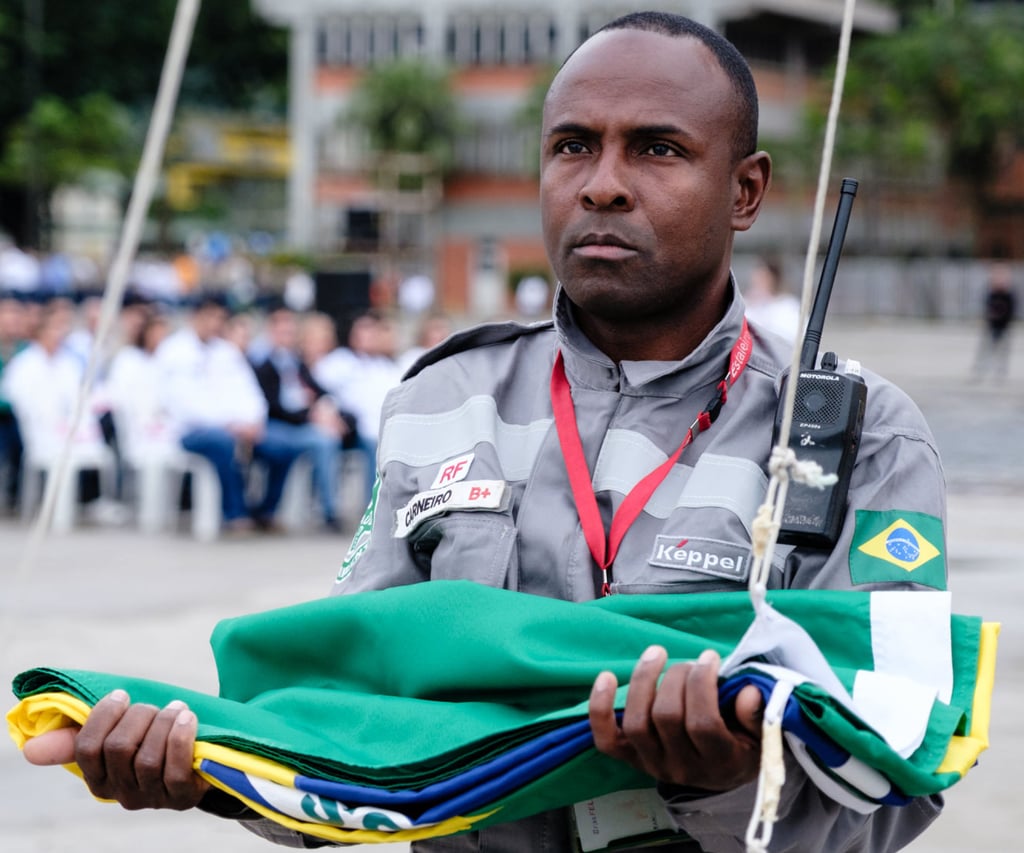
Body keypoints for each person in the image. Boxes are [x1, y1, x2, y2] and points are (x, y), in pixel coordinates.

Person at [22, 12, 947, 853]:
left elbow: (905, 772)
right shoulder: (439, 398)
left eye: (658, 150)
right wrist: (225, 773)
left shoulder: (858, 435)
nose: (604, 187)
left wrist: (726, 779)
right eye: (573, 147)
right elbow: (360, 719)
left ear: (744, 192)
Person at [152, 293, 300, 533]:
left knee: (284, 446)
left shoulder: (227, 352)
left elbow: (250, 393)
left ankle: (265, 511)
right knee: (222, 443)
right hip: (191, 431)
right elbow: (181, 405)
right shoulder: (174, 351)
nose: (215, 323)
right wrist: (229, 424)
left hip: (239, 427)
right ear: (195, 317)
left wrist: (254, 422)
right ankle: (235, 513)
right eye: (209, 316)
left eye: (219, 317)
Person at [252, 302, 351, 531]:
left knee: (327, 437)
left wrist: (329, 411)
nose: (287, 335)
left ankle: (327, 508)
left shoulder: (295, 362)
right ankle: (273, 508)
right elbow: (272, 405)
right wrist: (309, 415)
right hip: (276, 424)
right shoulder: (261, 363)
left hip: (300, 423)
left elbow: (321, 391)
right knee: (302, 443)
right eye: (282, 330)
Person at [971, 261, 1017, 380]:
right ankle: (980, 371)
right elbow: (986, 308)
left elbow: (1011, 312)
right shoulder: (991, 294)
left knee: (1002, 351)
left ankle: (1000, 372)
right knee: (986, 350)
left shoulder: (1009, 296)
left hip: (1004, 327)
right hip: (991, 326)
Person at [742, 256, 802, 342]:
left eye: (763, 279)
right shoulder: (746, 305)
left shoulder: (788, 305)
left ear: (774, 280)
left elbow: (791, 335)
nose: (758, 284)